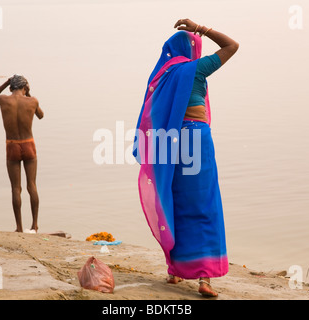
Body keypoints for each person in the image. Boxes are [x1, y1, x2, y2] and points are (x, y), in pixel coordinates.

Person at [133, 19, 239, 297]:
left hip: (171, 145)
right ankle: (204, 278)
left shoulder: (162, 74)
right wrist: (201, 27)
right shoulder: (196, 69)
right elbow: (232, 46)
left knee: (176, 201)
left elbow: (153, 116)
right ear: (193, 48)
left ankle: (175, 270)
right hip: (196, 139)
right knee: (204, 203)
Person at [0, 75, 44, 233]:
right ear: (25, 88)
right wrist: (29, 94)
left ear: (11, 87)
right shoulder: (32, 101)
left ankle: (18, 227)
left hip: (12, 145)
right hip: (29, 144)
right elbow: (41, 115)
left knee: (15, 189)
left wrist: (5, 82)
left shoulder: (4, 100)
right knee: (32, 186)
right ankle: (34, 225)